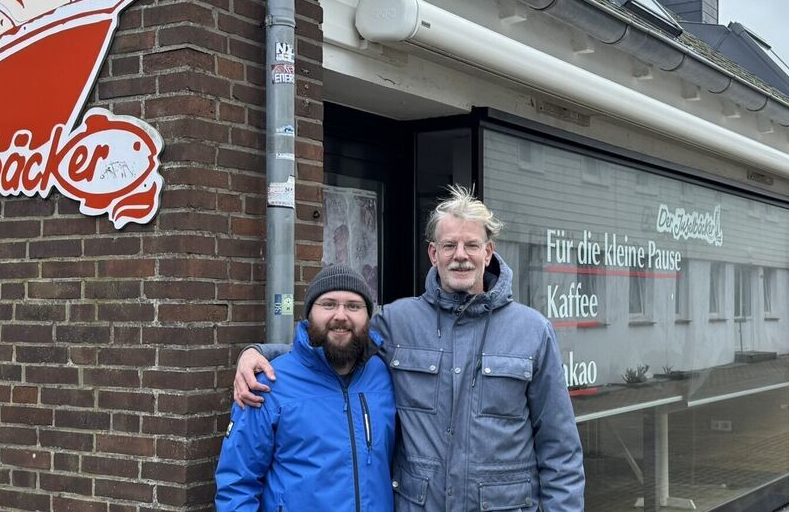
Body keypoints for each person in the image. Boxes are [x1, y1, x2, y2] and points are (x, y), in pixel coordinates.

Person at [236, 186, 585, 512]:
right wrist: (258, 353)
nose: (460, 256)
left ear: (488, 252)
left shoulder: (532, 330)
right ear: (434, 254)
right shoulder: (397, 321)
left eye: (471, 245)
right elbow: (336, 339)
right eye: (449, 245)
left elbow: (560, 449)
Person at [216, 265, 396, 512]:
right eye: (328, 304)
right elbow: (237, 485)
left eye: (353, 306)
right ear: (309, 314)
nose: (341, 315)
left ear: (368, 317)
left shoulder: (384, 374)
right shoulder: (268, 383)